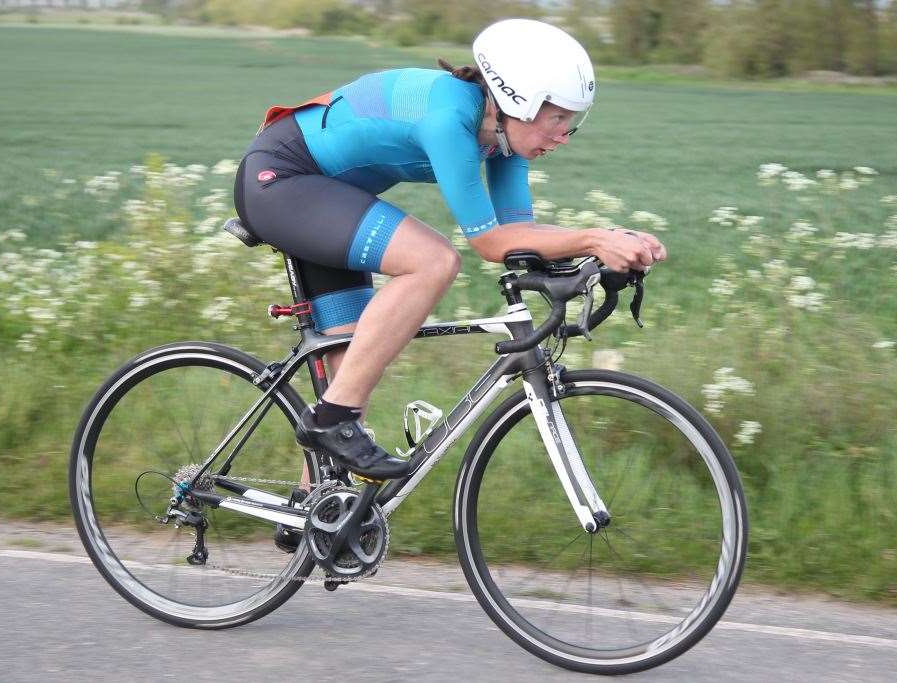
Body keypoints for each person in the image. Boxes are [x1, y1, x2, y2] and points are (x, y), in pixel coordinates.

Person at [233, 18, 667, 487]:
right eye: (557, 118)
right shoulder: (449, 120)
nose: (563, 135)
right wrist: (593, 237)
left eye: (571, 122)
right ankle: (329, 421)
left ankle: (311, 515)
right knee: (433, 261)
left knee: (352, 366)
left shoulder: (504, 141)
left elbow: (518, 233)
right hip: (282, 182)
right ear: (516, 101)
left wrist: (613, 239)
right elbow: (489, 243)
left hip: (328, 202)